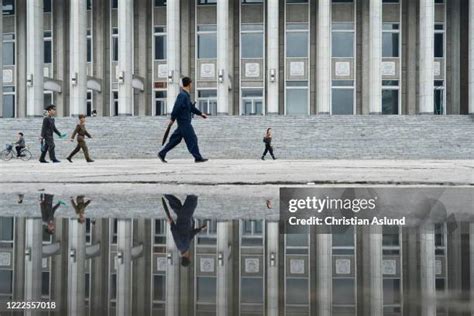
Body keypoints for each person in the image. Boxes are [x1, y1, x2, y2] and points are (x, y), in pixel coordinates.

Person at [158, 77, 209, 163]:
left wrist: (200, 114)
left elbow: (191, 108)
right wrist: (172, 118)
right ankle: (198, 157)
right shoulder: (182, 95)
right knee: (192, 138)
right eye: (191, 83)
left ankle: (162, 153)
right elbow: (176, 107)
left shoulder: (185, 95)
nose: (192, 85)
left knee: (175, 140)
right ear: (189, 84)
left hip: (183, 122)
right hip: (184, 122)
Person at [162, 195, 207, 267]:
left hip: (184, 220)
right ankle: (165, 192)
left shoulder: (182, 246)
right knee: (176, 204)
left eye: (190, 258)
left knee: (192, 201)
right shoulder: (184, 247)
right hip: (185, 220)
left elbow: (175, 234)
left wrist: (171, 223)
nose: (191, 257)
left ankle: (165, 192)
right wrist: (200, 229)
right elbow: (191, 235)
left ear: (188, 258)